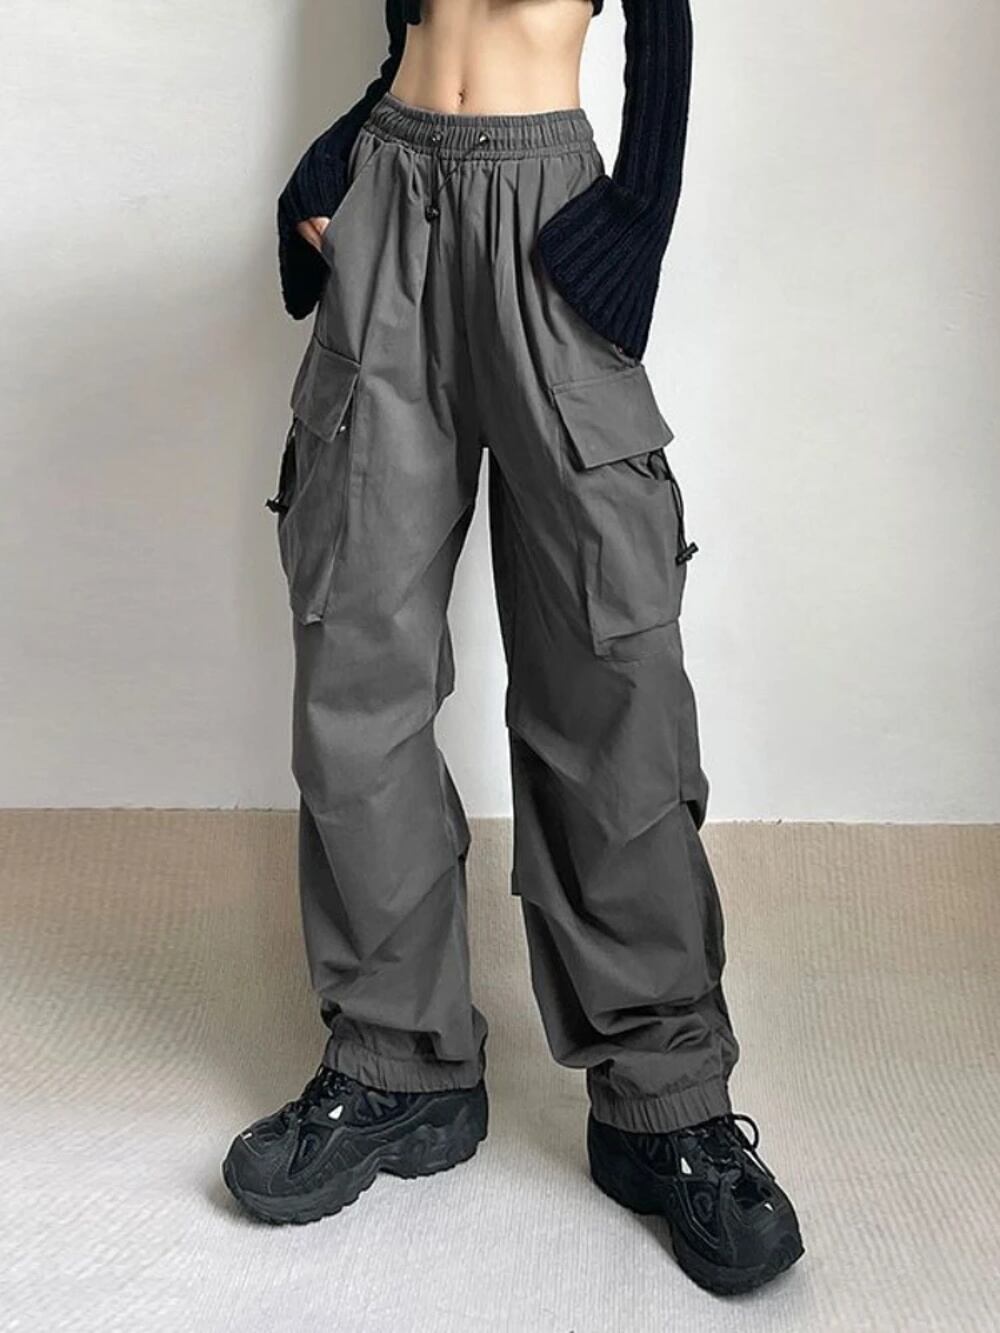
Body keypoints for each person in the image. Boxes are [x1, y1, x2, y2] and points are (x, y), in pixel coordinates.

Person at [223, 0, 804, 1296]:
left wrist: (633, 221)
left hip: (548, 215)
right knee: (355, 657)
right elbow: (411, 38)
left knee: (613, 671)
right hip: (394, 202)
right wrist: (333, 171)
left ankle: (663, 1104)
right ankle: (397, 1063)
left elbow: (665, 29)